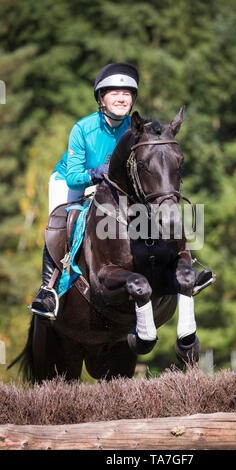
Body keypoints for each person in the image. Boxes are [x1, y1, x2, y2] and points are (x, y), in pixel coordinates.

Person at [30, 62, 139, 318]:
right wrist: (94, 173)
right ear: (101, 99)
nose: (122, 98)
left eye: (127, 94)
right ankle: (48, 290)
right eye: (114, 93)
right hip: (72, 179)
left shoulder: (135, 129)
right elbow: (73, 178)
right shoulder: (82, 128)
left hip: (110, 186)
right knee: (60, 220)